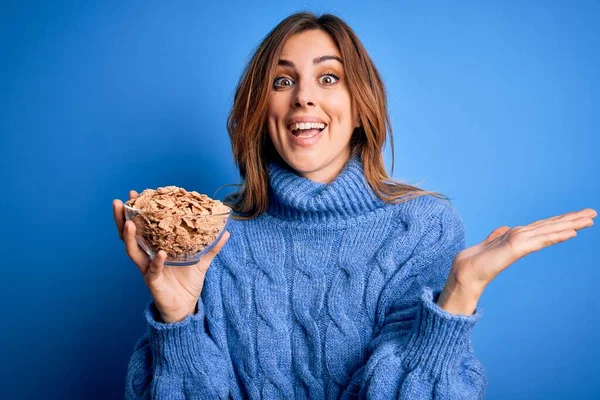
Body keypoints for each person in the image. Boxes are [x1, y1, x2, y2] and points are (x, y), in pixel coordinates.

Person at [113, 11, 597, 399]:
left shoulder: (422, 228)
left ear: (359, 105)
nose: (304, 97)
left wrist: (458, 295)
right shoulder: (214, 235)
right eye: (282, 82)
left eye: (328, 78)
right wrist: (177, 320)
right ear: (261, 110)